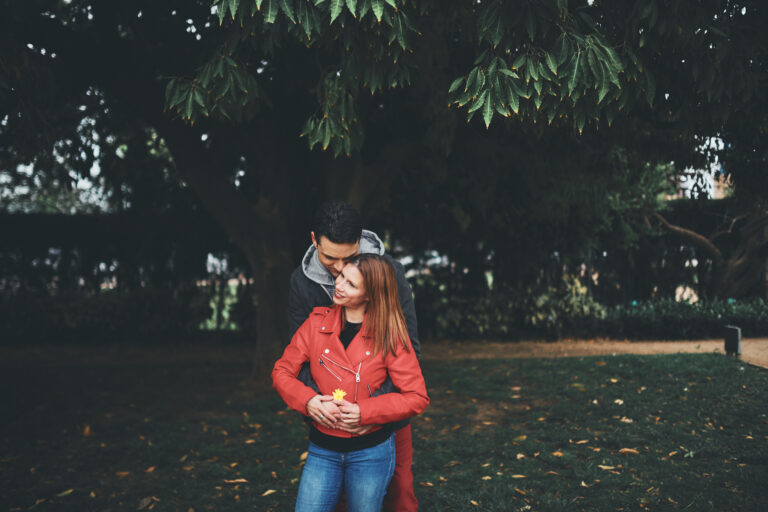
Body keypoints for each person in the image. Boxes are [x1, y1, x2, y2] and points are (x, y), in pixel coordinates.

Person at [288, 200, 422, 511]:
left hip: (385, 405)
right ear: (313, 240)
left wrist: (370, 411)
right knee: (338, 496)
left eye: (347, 258)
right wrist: (318, 406)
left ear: (360, 239)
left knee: (399, 487)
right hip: (330, 413)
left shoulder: (390, 273)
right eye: (329, 258)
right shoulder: (301, 283)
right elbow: (298, 357)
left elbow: (409, 346)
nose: (337, 268)